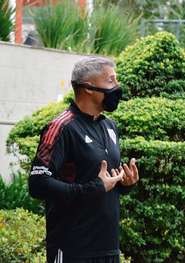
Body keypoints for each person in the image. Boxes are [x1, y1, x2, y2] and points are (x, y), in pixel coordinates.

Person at [29, 56, 139, 263]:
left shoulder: (109, 126)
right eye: (110, 80)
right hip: (72, 249)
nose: (117, 86)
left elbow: (103, 183)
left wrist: (125, 184)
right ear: (88, 87)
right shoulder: (62, 127)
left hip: (108, 249)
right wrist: (94, 187)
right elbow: (38, 183)